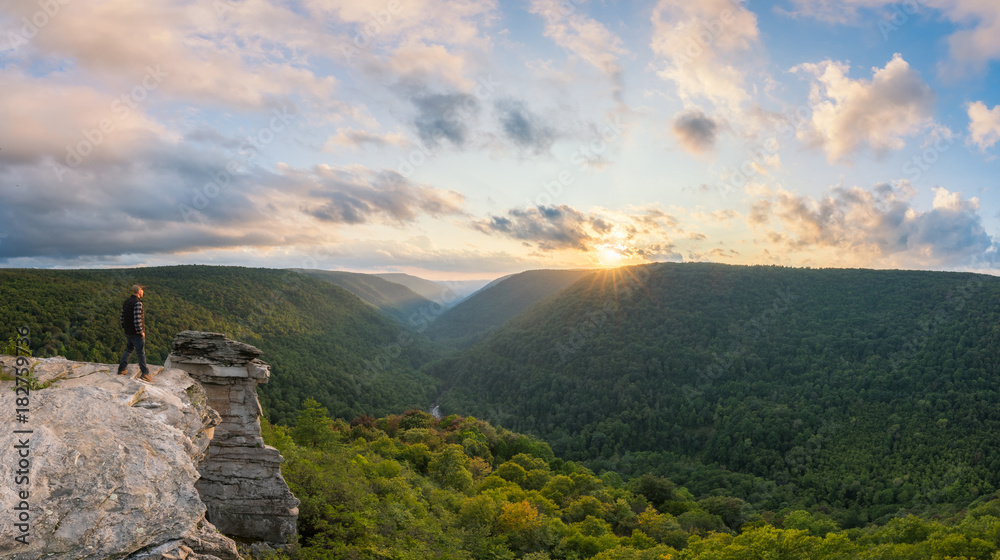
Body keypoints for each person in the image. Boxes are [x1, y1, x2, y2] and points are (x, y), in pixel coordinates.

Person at [117, 284, 152, 382]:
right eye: (142, 290)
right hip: (136, 333)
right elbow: (137, 320)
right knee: (141, 353)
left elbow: (122, 317)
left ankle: (122, 369)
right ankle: (145, 373)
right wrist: (141, 332)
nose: (143, 292)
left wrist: (125, 328)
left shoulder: (126, 301)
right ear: (139, 292)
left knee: (129, 349)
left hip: (128, 331)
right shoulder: (137, 303)